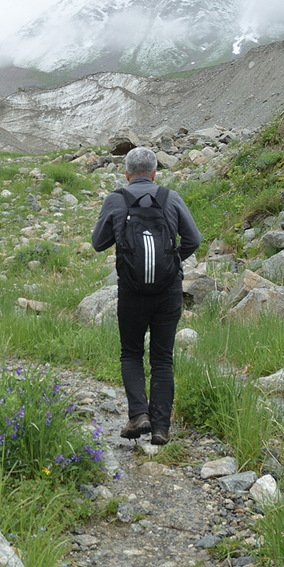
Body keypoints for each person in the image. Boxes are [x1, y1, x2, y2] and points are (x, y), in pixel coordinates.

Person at [91, 146, 201, 445]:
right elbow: (194, 238)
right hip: (168, 290)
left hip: (132, 290)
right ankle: (161, 429)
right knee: (163, 359)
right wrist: (172, 261)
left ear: (126, 174)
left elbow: (98, 243)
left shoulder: (116, 199)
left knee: (131, 353)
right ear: (154, 174)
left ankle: (139, 415)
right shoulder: (170, 197)